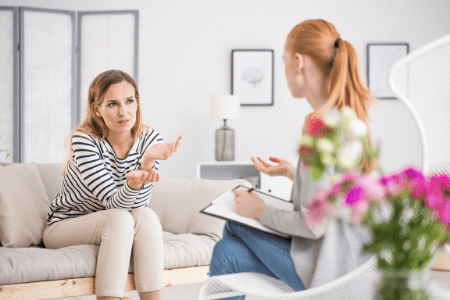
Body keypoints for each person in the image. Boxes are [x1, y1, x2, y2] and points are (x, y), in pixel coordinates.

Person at [209, 19, 378, 297]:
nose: (284, 68)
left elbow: (312, 225)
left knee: (234, 221)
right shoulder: (347, 117)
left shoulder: (321, 126)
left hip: (330, 271)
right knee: (226, 252)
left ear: (298, 62)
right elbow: (335, 191)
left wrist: (258, 211)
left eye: (284, 60)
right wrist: (295, 172)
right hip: (352, 266)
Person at [43, 70, 182, 300]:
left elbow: (138, 205)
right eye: (112, 104)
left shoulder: (149, 139)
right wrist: (135, 181)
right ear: (97, 109)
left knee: (146, 216)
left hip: (116, 221)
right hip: (66, 224)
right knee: (119, 218)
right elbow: (113, 203)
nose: (123, 112)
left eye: (129, 101)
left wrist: (147, 163)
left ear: (137, 103)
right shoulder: (84, 140)